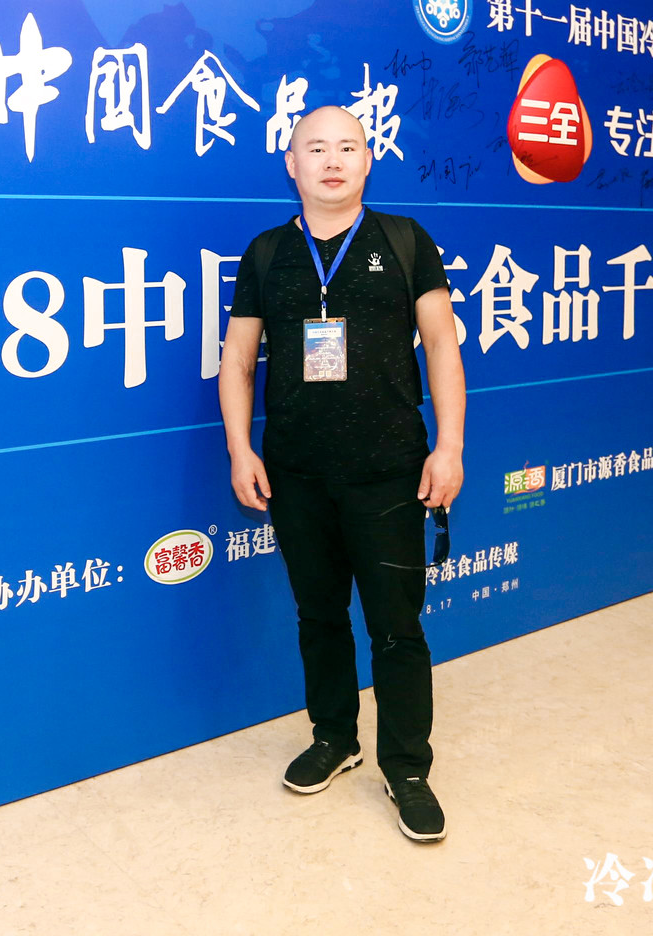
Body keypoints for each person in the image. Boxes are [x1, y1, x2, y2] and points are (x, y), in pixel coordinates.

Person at [218, 105, 466, 843]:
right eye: (316, 148)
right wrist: (240, 450)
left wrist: (449, 447)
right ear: (290, 164)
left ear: (367, 160)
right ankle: (335, 737)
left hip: (390, 473)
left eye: (348, 147)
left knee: (396, 627)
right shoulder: (267, 253)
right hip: (296, 474)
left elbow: (442, 348)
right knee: (319, 617)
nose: (332, 160)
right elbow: (238, 361)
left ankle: (407, 767)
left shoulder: (405, 241)